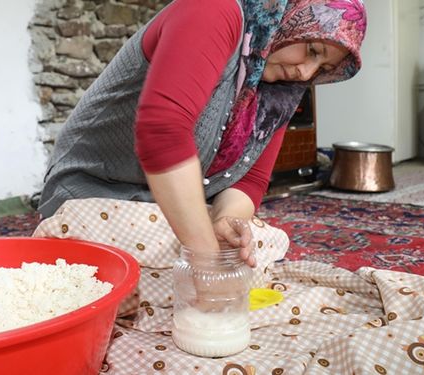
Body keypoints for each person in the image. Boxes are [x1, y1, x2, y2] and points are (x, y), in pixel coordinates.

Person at [36, 0, 367, 264]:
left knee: (264, 243)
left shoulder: (281, 93)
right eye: (311, 50)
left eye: (322, 69)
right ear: (287, 13)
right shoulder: (213, 10)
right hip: (94, 195)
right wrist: (206, 256)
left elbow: (250, 180)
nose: (305, 72)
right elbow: (163, 130)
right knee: (196, 263)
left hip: (163, 210)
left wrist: (227, 220)